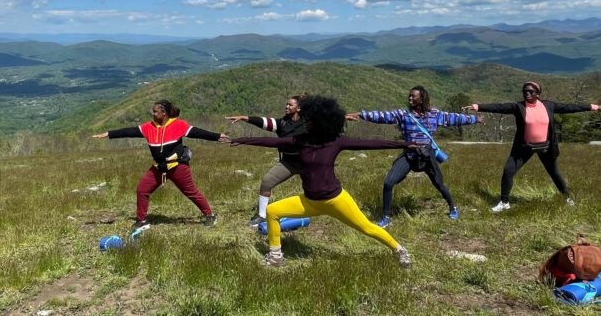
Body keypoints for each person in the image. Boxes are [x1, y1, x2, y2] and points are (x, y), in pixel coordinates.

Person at [230, 95, 418, 268]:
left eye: (309, 120)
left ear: (320, 123)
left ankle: (400, 250)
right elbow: (270, 142)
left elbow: (370, 143)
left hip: (336, 200)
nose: (306, 122)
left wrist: (404, 144)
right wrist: (244, 139)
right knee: (272, 211)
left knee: (367, 228)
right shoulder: (299, 140)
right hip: (310, 202)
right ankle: (276, 256)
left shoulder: (336, 141)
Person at [346, 85, 481, 228]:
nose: (410, 98)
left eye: (413, 96)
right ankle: (386, 217)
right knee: (388, 183)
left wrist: (475, 119)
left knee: (439, 184)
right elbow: (382, 116)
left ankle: (453, 208)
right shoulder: (403, 115)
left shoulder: (434, 114)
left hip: (427, 157)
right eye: (409, 96)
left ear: (421, 99)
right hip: (409, 156)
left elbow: (454, 118)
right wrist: (360, 114)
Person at [463, 81, 598, 212]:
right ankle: (504, 203)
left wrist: (592, 106)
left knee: (555, 173)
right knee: (508, 171)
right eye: (524, 91)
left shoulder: (548, 105)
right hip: (524, 147)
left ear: (538, 93)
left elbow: (570, 108)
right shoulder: (518, 107)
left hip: (546, 147)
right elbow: (499, 107)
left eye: (530, 91)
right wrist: (478, 106)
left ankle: (568, 199)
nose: (527, 94)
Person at [93, 100, 228, 229]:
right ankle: (141, 221)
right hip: (158, 167)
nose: (153, 113)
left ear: (164, 113)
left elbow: (198, 133)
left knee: (191, 192)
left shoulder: (178, 125)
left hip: (177, 166)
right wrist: (109, 134)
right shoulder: (148, 127)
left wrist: (217, 136)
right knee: (142, 190)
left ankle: (210, 216)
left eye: (155, 111)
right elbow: (128, 131)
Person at [225, 94, 306, 227]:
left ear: (299, 108)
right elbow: (264, 122)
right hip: (288, 162)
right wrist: (244, 118)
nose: (286, 106)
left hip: (308, 163)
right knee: (267, 181)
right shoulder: (282, 123)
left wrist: (343, 117)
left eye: (290, 105)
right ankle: (262, 216)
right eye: (287, 104)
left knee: (315, 190)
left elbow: (325, 121)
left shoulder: (308, 123)